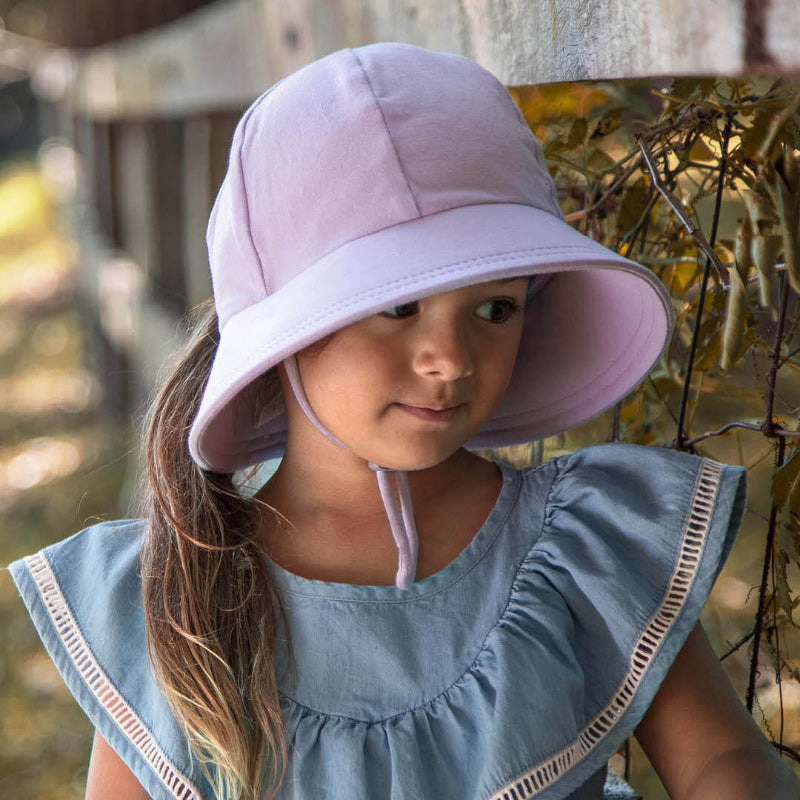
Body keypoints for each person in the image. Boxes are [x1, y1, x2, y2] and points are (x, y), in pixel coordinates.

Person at [6, 42, 799, 800]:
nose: (450, 359)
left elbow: (723, 756)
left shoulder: (581, 546)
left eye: (495, 308)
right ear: (286, 331)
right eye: (396, 305)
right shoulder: (180, 595)